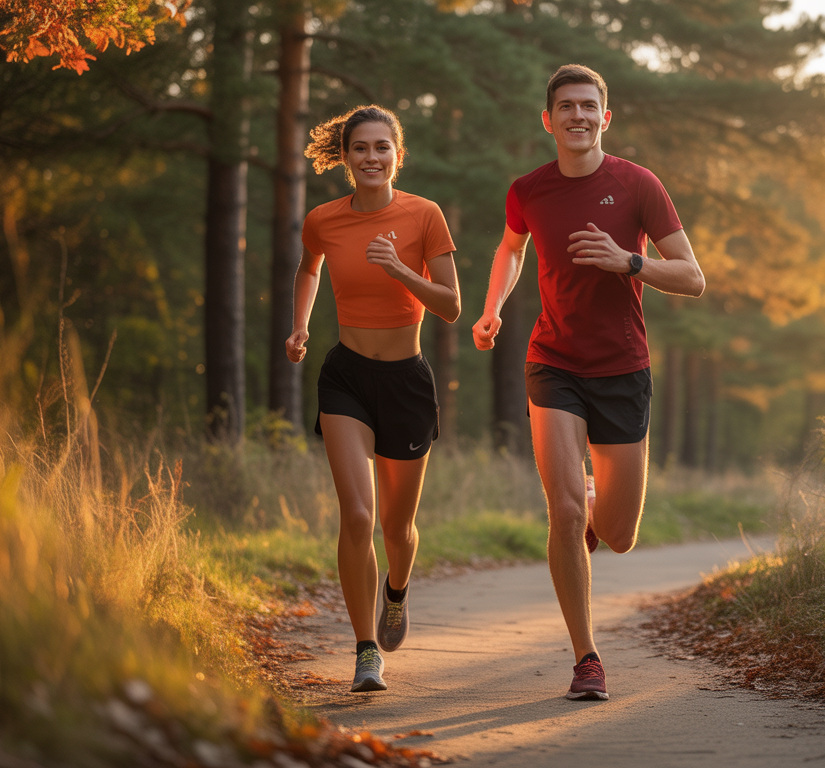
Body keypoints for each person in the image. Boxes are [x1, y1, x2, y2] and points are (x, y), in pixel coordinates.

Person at [472, 65, 705, 700]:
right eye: (565, 106)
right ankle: (587, 658)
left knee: (621, 535)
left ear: (606, 117)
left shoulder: (638, 185)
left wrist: (631, 262)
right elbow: (511, 249)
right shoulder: (528, 190)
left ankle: (600, 499)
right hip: (553, 362)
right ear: (547, 120)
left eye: (589, 106)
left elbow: (692, 276)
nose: (577, 115)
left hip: (623, 368)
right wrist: (492, 308)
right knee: (565, 509)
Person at [286, 105, 460, 693]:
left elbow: (451, 305)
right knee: (357, 515)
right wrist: (301, 326)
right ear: (345, 157)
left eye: (382, 147)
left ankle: (397, 591)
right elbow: (308, 269)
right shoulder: (323, 220)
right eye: (360, 148)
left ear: (397, 155)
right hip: (347, 377)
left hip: (407, 380)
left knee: (396, 527)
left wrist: (400, 272)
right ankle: (365, 651)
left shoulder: (425, 215)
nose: (371, 157)